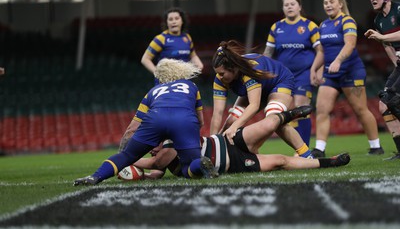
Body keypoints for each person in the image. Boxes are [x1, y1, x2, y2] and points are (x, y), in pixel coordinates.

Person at [73, 59, 217, 186]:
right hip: (185, 120)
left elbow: (131, 129)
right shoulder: (191, 86)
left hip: (156, 117)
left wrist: (122, 153)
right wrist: (181, 140)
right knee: (188, 167)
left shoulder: (153, 91)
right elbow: (200, 121)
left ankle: (95, 176)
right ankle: (200, 164)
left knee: (126, 156)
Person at [129, 105, 350, 179]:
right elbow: (157, 169)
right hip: (234, 162)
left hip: (226, 142)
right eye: (150, 150)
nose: (152, 151)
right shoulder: (160, 157)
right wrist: (140, 173)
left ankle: (292, 113)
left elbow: (159, 162)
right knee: (280, 160)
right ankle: (330, 162)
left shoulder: (169, 140)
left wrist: (129, 160)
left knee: (267, 124)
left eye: (152, 147)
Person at [209, 40, 313, 159]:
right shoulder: (219, 79)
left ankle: (307, 155)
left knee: (274, 120)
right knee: (231, 120)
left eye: (222, 74)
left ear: (233, 68)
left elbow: (254, 105)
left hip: (279, 81)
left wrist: (234, 128)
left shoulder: (249, 71)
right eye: (217, 74)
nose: (219, 77)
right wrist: (212, 141)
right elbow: (217, 113)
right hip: (257, 88)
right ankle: (223, 154)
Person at [310, 0, 383, 158]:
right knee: (322, 109)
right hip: (331, 75)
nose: (327, 5)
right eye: (325, 3)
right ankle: (319, 149)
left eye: (331, 2)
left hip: (351, 72)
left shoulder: (347, 21)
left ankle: (376, 146)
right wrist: (314, 69)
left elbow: (350, 44)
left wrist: (337, 61)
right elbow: (322, 51)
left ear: (340, 4)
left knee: (360, 110)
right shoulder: (323, 25)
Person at [264, 0, 323, 147]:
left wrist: (316, 70)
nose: (289, 7)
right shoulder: (276, 27)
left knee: (300, 107)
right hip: (283, 76)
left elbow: (320, 51)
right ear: (283, 8)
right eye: (286, 5)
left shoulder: (310, 26)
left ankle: (304, 149)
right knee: (289, 112)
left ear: (299, 7)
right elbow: (268, 53)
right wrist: (263, 71)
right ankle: (300, 148)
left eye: (292, 4)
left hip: (304, 74)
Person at [363, 0, 400, 160]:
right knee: (384, 104)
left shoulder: (399, 9)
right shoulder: (378, 20)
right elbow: (387, 45)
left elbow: (385, 38)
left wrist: (382, 36)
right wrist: (396, 65)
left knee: (393, 100)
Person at [141, 7, 203, 79]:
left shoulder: (187, 37)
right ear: (167, 23)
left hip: (184, 80)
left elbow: (193, 55)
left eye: (177, 18)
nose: (174, 21)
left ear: (182, 21)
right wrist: (157, 73)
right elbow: (145, 59)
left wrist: (199, 65)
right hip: (165, 82)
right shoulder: (160, 39)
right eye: (170, 19)